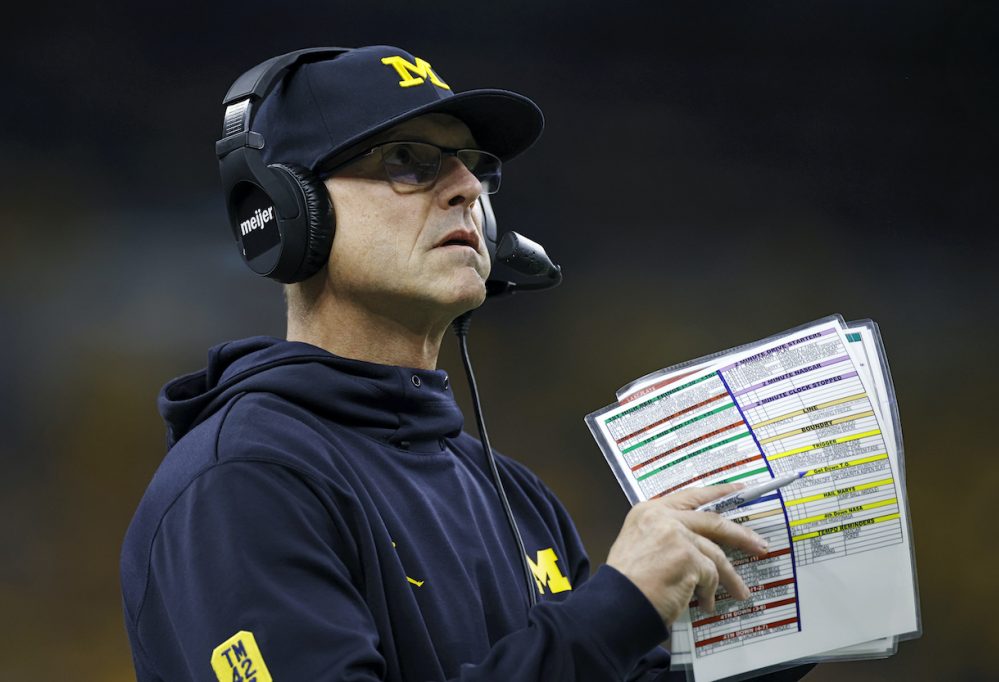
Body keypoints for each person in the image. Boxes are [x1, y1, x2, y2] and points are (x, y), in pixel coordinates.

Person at [120, 45, 814, 681]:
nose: (467, 189)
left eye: (475, 167)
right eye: (406, 160)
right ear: (284, 211)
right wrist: (615, 610)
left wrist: (787, 620)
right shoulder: (240, 484)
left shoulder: (515, 495)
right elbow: (586, 643)